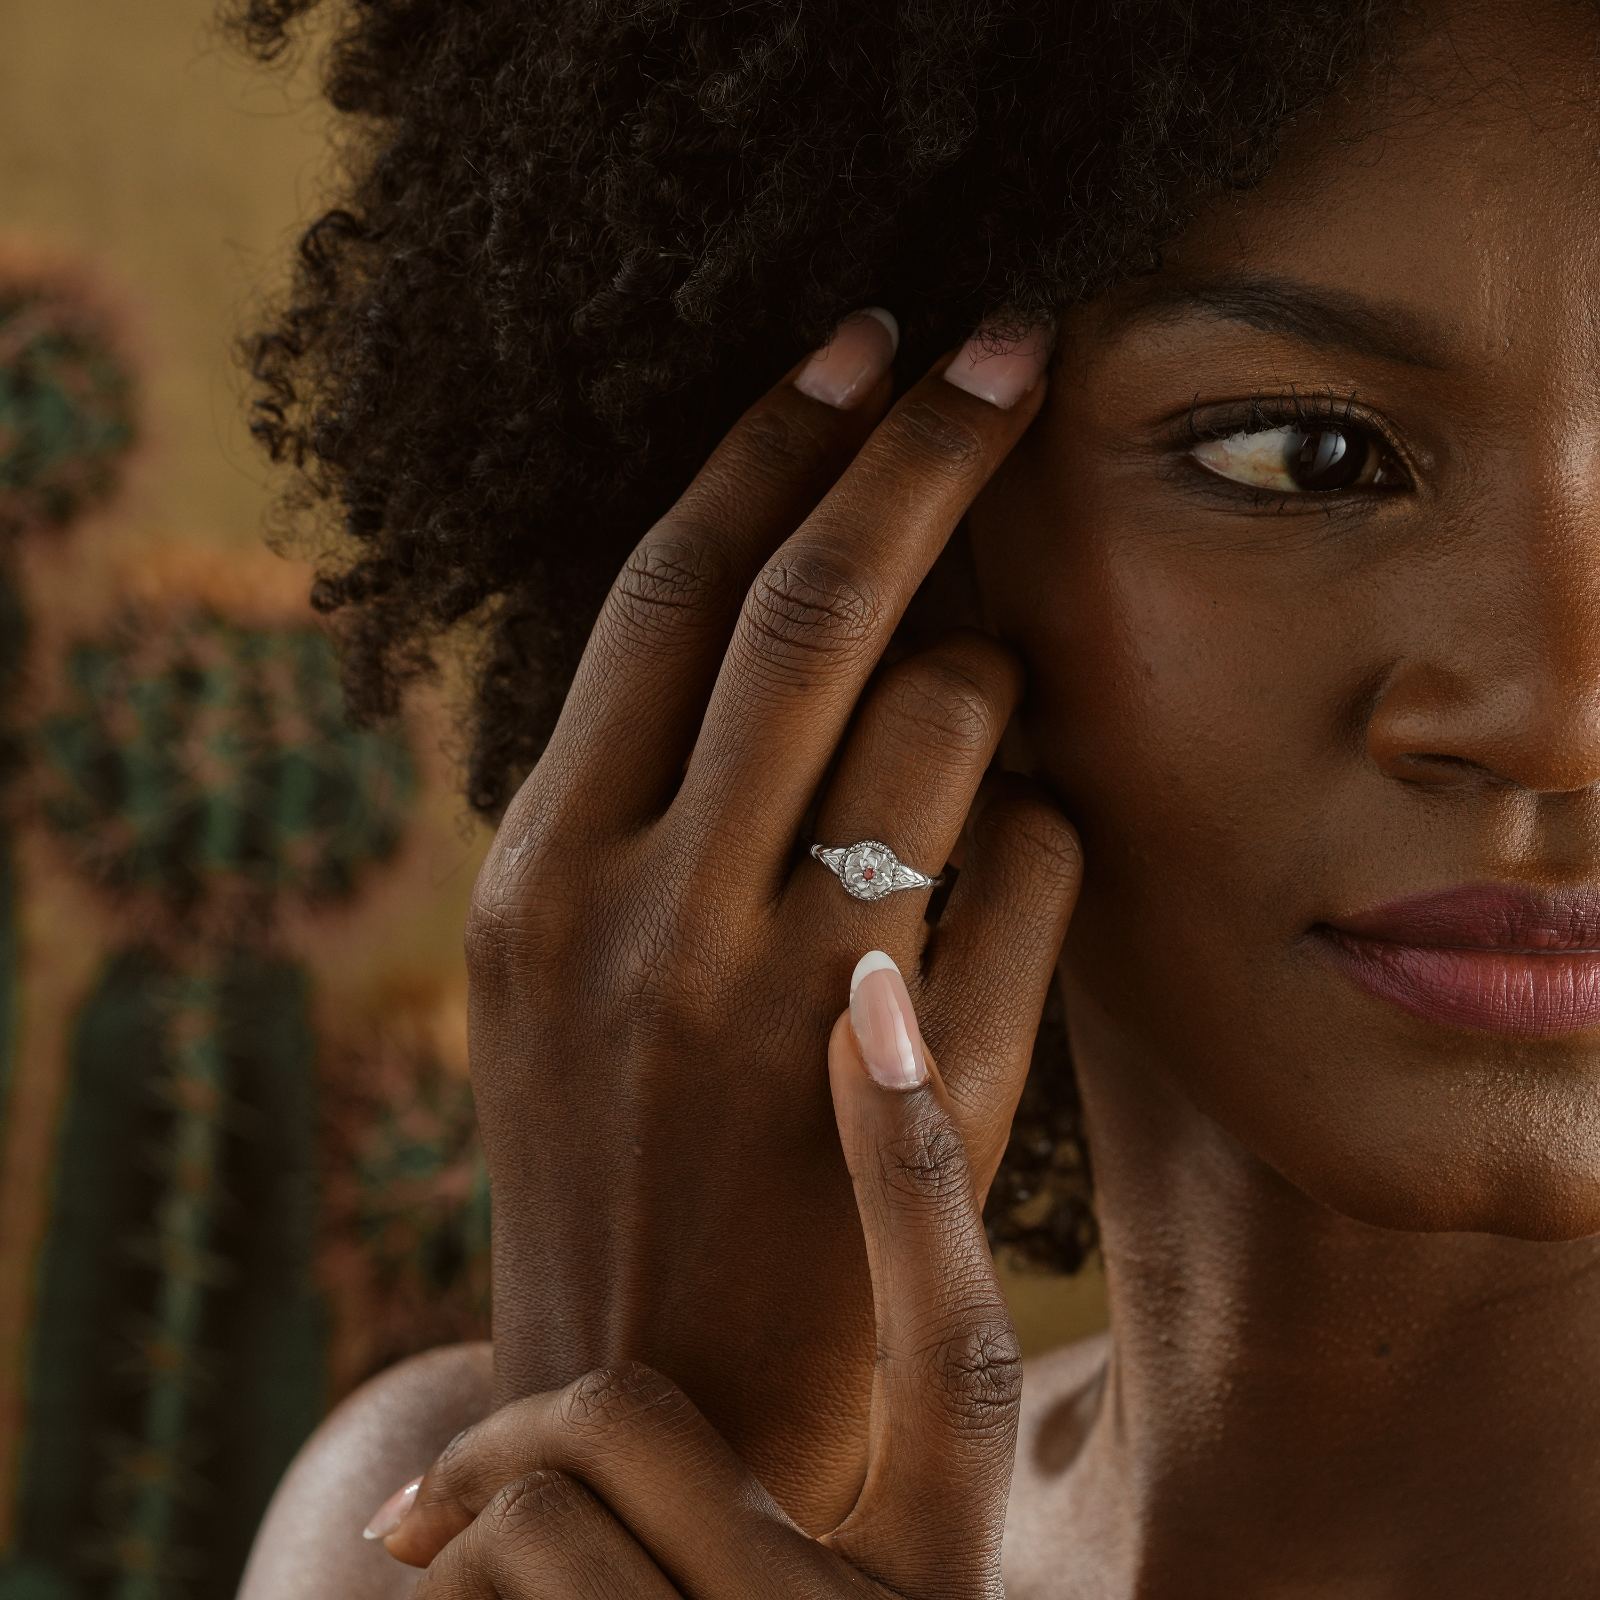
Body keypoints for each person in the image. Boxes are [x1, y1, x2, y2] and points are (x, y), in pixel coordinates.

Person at [233, 0, 1600, 1593]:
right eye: (1307, 454)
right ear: (898, 533)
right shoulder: (419, 1544)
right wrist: (682, 1465)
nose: (1562, 716)